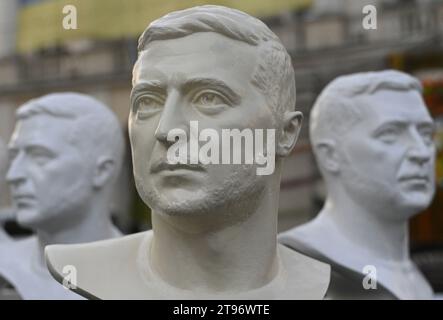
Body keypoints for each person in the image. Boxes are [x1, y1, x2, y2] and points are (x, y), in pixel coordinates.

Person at [46, 5, 330, 300]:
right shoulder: (83, 272)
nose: (167, 130)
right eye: (148, 101)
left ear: (284, 134)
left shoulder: (324, 284)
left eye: (209, 98)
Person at [280, 70, 436, 299]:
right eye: (390, 134)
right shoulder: (292, 265)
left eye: (425, 134)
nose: (422, 152)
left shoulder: (412, 275)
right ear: (331, 155)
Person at [0, 92, 125, 299]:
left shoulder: (142, 280)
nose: (14, 175)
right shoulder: (6, 264)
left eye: (39, 156)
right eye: (14, 156)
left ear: (101, 171)